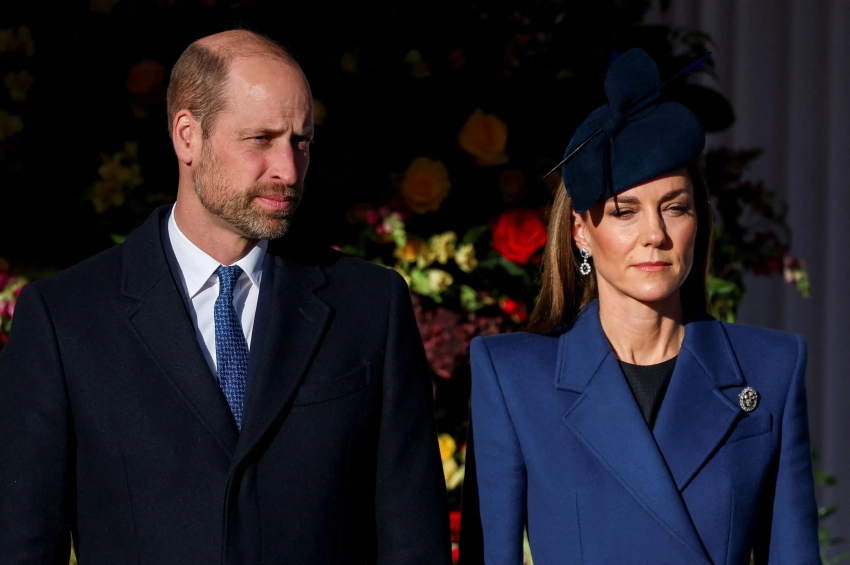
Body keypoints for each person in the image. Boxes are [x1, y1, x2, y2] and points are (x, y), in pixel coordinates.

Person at [0, 29, 451, 564]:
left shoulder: (370, 305)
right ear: (187, 136)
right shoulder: (65, 318)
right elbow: (24, 544)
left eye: (301, 141)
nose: (288, 169)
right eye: (260, 139)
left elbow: (413, 537)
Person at [459, 49, 820, 564]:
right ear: (581, 231)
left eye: (675, 207)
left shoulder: (770, 369)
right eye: (624, 211)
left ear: (698, 220)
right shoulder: (514, 377)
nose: (655, 234)